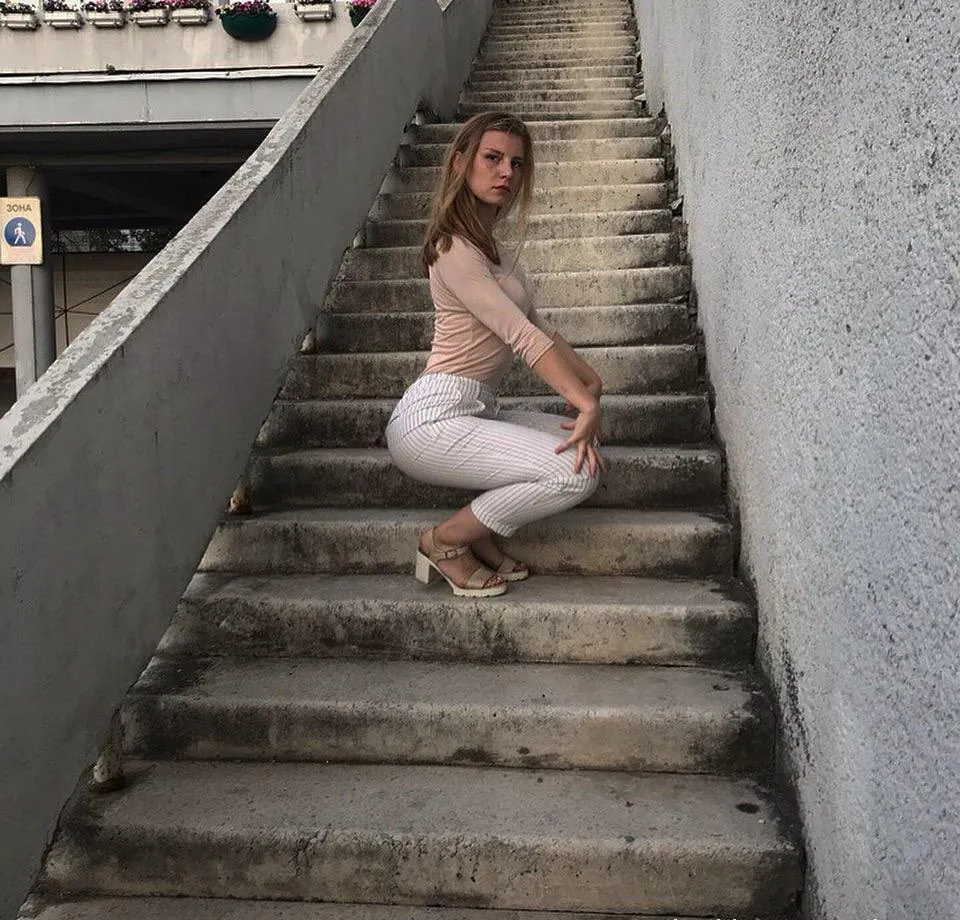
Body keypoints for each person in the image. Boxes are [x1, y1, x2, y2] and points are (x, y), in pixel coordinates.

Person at [385, 111, 606, 598]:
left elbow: (540, 328)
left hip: (477, 407)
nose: (507, 171)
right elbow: (519, 335)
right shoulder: (452, 249)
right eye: (492, 158)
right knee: (575, 473)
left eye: (517, 163)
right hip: (432, 418)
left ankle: (478, 532)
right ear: (461, 162)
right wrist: (582, 401)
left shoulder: (499, 255)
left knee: (580, 447)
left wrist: (590, 382)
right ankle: (445, 541)